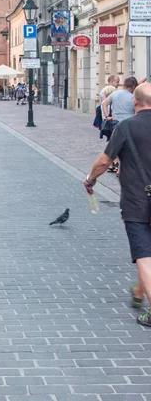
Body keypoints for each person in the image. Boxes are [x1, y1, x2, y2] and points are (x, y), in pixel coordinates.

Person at [84, 83, 151, 327]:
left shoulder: (126, 126)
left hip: (137, 198)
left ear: (135, 102)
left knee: (144, 253)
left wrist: (91, 180)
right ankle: (139, 292)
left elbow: (104, 161)